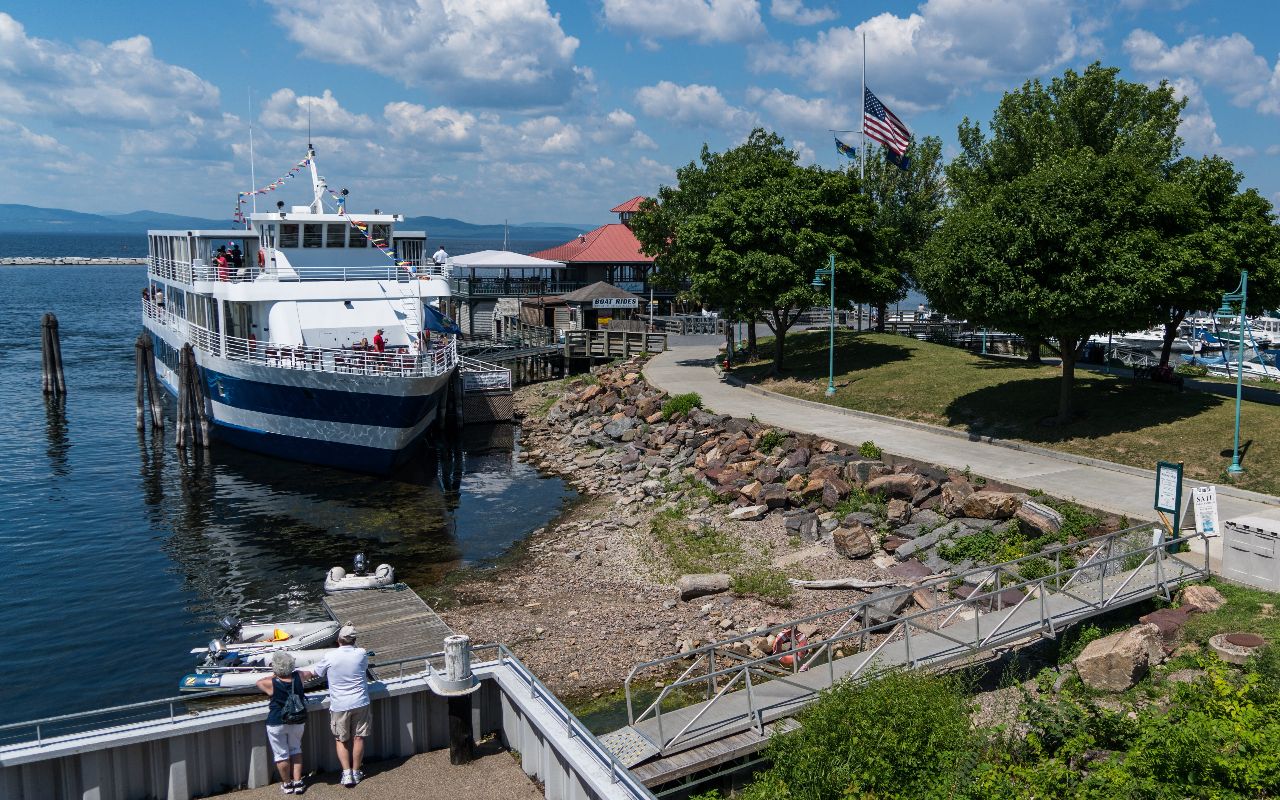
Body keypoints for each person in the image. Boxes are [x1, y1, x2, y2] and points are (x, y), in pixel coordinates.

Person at [312, 624, 371, 788]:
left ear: (338, 640)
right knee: (358, 738)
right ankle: (356, 771)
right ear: (355, 640)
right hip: (360, 701)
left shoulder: (330, 656)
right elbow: (363, 667)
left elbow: (317, 672)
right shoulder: (361, 653)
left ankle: (346, 773)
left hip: (339, 704)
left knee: (341, 739)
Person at [255, 651, 309, 795]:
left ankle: (287, 784)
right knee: (296, 749)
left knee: (281, 755)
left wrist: (275, 674)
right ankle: (298, 782)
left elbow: (258, 682)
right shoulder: (300, 676)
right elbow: (309, 672)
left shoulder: (270, 683)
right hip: (297, 719)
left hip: (276, 721)